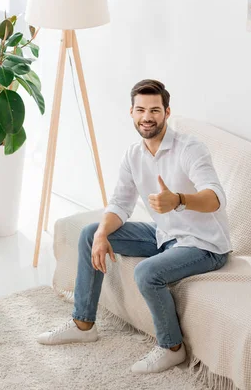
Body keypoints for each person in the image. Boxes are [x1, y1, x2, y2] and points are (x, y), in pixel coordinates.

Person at [37, 79, 232, 374]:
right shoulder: (134, 155)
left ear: (167, 112)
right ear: (131, 112)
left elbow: (216, 198)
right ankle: (83, 324)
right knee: (91, 233)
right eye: (140, 110)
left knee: (147, 272)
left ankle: (172, 348)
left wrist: (178, 199)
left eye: (155, 110)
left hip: (205, 245)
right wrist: (103, 234)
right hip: (165, 237)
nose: (147, 117)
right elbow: (120, 204)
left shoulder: (190, 149)